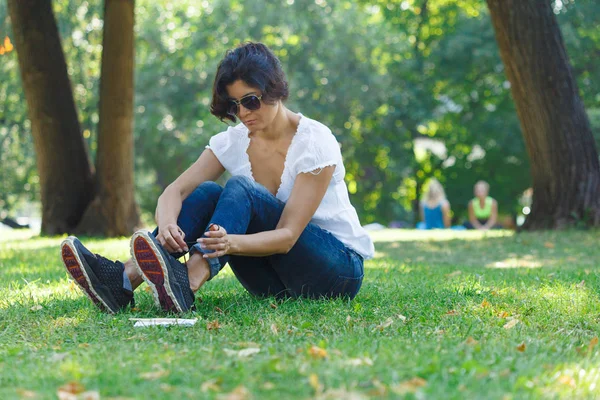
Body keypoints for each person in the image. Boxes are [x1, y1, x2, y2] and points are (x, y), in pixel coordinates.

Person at [59, 42, 374, 314]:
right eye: (235, 105)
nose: (244, 112)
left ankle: (189, 281)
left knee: (239, 188)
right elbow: (175, 191)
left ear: (274, 90)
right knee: (208, 191)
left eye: (251, 100)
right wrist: (168, 224)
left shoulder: (315, 142)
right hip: (273, 282)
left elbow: (288, 236)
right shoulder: (234, 141)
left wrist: (230, 242)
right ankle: (124, 281)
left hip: (336, 274)